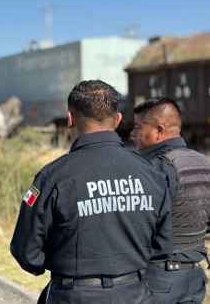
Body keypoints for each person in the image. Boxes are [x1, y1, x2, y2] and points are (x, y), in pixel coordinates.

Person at [10, 80, 173, 304]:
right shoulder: (151, 173)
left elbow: (26, 252)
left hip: (74, 295)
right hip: (135, 294)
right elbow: (162, 246)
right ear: (117, 120)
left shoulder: (53, 177)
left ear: (70, 119)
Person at [131, 97, 210, 304]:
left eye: (138, 127)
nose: (132, 134)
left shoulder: (151, 169)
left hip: (158, 280)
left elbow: (138, 227)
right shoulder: (204, 163)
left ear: (158, 130)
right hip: (194, 279)